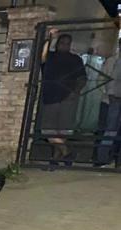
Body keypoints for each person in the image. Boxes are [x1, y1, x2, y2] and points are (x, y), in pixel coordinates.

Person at [40, 29, 87, 167]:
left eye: (67, 43)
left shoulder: (75, 59)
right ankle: (67, 152)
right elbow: (42, 56)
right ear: (57, 43)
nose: (64, 45)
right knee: (47, 130)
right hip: (50, 97)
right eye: (62, 42)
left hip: (67, 98)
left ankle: (55, 159)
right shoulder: (51, 56)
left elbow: (82, 78)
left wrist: (75, 92)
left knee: (63, 130)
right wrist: (50, 38)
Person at [96, 39, 121, 167]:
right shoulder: (114, 61)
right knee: (110, 130)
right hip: (114, 99)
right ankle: (103, 158)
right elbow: (109, 80)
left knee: (110, 130)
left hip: (113, 98)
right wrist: (110, 94)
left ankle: (105, 158)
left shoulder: (113, 60)